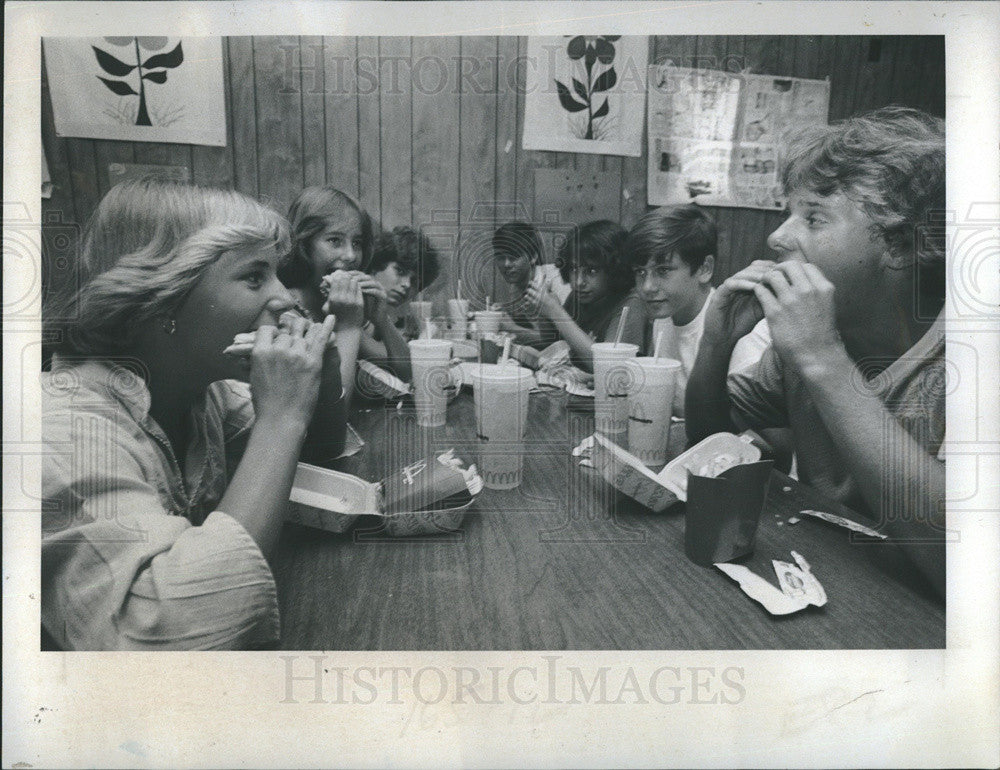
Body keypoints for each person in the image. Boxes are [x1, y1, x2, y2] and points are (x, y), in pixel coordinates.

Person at [41, 179, 365, 650]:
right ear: (161, 299)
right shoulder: (62, 429)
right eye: (254, 277)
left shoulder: (206, 395)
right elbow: (171, 633)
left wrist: (325, 371)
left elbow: (321, 449)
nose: (286, 299)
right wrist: (281, 417)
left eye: (277, 274)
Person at [685, 106, 946, 595]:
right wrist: (717, 344)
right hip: (828, 587)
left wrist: (823, 360)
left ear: (901, 246)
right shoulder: (806, 339)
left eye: (814, 217)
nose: (778, 236)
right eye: (790, 212)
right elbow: (709, 455)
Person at [624, 204, 771, 417]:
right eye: (640, 272)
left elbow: (748, 425)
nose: (647, 287)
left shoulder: (735, 329)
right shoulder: (663, 318)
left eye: (663, 270)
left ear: (704, 269)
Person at [277, 185, 403, 385]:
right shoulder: (286, 312)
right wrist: (349, 325)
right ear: (303, 244)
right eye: (335, 240)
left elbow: (405, 372)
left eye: (357, 243)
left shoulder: (336, 306)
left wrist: (382, 319)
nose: (351, 256)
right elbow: (332, 409)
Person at [524, 219, 646, 371]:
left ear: (614, 269)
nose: (579, 282)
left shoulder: (631, 304)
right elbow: (556, 346)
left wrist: (556, 312)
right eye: (574, 269)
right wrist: (544, 311)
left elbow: (608, 369)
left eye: (591, 271)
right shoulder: (580, 296)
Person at [492, 221, 571, 348]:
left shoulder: (558, 281)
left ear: (533, 256)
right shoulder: (516, 284)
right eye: (500, 257)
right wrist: (506, 315)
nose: (506, 264)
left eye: (514, 256)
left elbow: (563, 342)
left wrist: (511, 327)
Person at [365, 225, 442, 353]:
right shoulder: (354, 302)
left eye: (414, 281)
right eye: (400, 271)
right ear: (376, 264)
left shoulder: (377, 307)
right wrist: (424, 341)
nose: (407, 284)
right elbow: (402, 363)